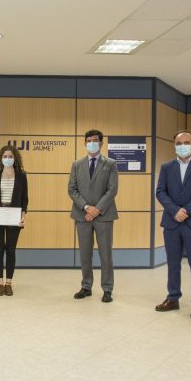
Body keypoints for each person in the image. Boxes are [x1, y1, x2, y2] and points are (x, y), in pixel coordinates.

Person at [154, 131, 191, 319]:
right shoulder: (166, 167)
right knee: (173, 263)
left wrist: (186, 211)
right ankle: (173, 298)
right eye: (178, 142)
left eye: (186, 142)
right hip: (172, 222)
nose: (182, 145)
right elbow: (160, 192)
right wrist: (174, 211)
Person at [68, 129, 119, 302]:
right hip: (82, 215)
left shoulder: (110, 164)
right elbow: (72, 189)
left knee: (106, 253)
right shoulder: (77, 164)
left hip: (104, 215)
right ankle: (86, 286)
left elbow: (112, 189)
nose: (91, 143)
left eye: (95, 140)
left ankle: (107, 289)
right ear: (84, 143)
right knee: (85, 253)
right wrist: (86, 207)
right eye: (88, 140)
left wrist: (97, 209)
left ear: (101, 143)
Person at [0, 145, 29, 296]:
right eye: (5, 156)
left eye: (10, 156)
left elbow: (24, 199)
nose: (7, 159)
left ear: (15, 158)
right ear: (1, 159)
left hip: (14, 217)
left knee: (10, 250)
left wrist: (23, 216)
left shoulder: (22, 176)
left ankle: (9, 283)